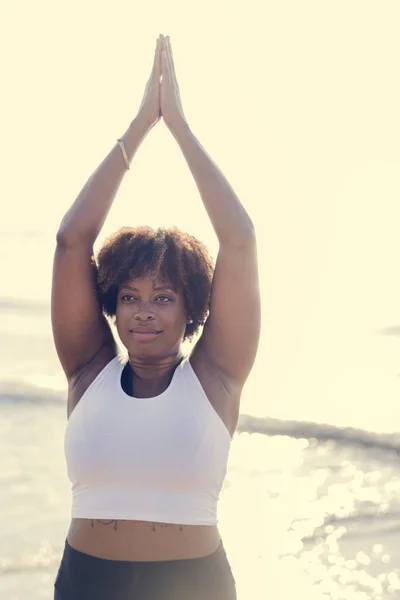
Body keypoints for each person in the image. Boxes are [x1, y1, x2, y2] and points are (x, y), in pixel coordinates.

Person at [51, 33, 261, 600]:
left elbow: (238, 240)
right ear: (112, 304)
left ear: (193, 307)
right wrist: (140, 125)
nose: (144, 311)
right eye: (130, 296)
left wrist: (180, 129)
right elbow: (72, 240)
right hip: (87, 583)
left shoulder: (215, 378)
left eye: (164, 297)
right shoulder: (87, 371)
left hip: (191, 586)